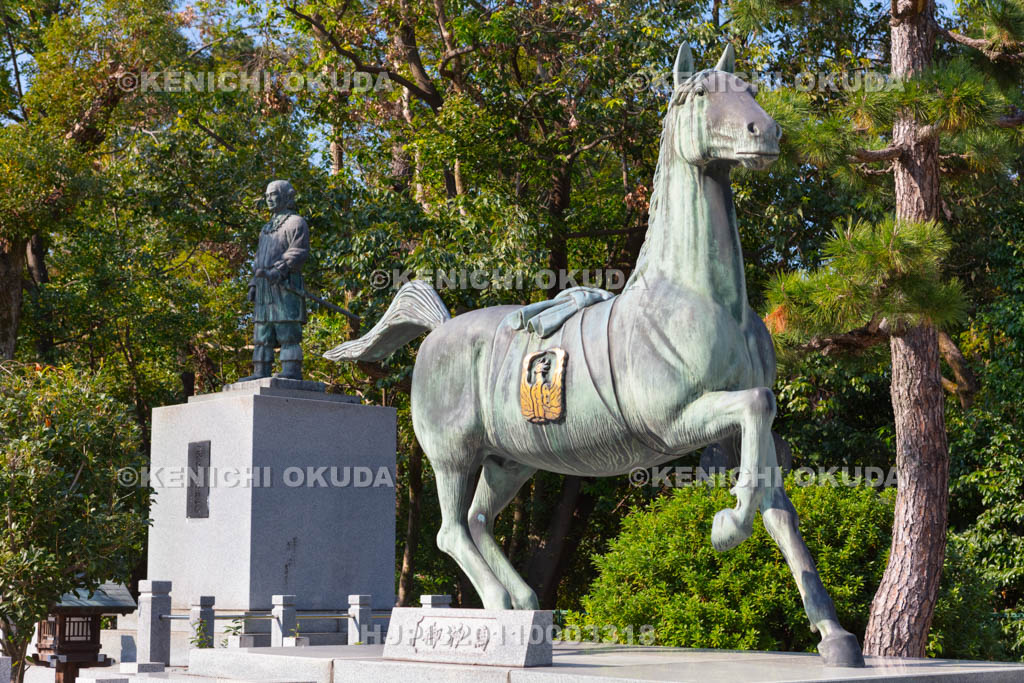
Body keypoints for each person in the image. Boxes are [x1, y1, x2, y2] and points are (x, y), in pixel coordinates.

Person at [239, 180, 309, 381]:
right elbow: (259, 257)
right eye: (267, 195)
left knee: (287, 331)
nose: (269, 199)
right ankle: (260, 371)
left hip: (286, 286)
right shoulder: (266, 229)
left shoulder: (296, 222)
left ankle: (291, 370)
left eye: (273, 194)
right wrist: (254, 284)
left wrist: (278, 270)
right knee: (262, 332)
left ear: (286, 196)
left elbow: (298, 251)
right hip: (264, 287)